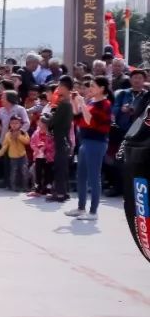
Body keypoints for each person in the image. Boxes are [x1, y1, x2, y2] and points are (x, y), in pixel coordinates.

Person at [66, 76, 113, 221]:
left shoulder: (105, 104)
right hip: (85, 142)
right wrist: (75, 103)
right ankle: (81, 208)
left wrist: (82, 104)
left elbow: (89, 120)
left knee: (94, 177)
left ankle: (93, 212)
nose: (89, 88)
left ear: (102, 88)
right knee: (81, 176)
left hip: (97, 143)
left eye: (93, 86)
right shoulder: (91, 102)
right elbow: (78, 119)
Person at [0, 117, 31, 191]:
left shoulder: (23, 132)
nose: (14, 125)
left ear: (20, 124)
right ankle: (13, 186)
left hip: (22, 156)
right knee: (13, 172)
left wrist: (19, 136)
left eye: (16, 123)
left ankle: (25, 186)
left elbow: (27, 142)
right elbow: (4, 146)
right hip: (13, 157)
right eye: (12, 123)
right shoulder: (8, 134)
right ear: (10, 124)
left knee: (24, 171)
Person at [28, 117, 55, 197]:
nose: (40, 124)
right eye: (39, 122)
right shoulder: (36, 132)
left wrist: (45, 147)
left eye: (42, 122)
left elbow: (52, 144)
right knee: (38, 173)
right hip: (38, 156)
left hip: (48, 156)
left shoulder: (50, 133)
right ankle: (37, 189)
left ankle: (48, 189)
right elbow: (32, 142)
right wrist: (36, 149)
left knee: (48, 173)